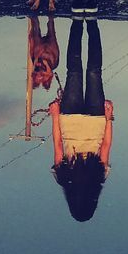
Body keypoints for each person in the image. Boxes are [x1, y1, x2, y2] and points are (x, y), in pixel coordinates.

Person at [48, 18, 113, 222]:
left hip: (90, 121)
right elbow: (58, 143)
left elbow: (105, 145)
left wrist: (108, 118)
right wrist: (55, 114)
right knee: (80, 71)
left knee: (89, 72)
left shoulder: (74, 177)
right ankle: (83, 23)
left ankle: (86, 23)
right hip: (74, 120)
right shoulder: (70, 177)